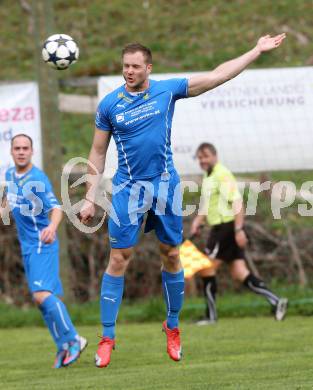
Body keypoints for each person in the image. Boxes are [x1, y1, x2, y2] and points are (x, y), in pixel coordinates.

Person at [79, 34, 286, 368]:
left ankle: (172, 327)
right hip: (128, 189)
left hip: (164, 186)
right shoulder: (110, 105)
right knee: (119, 258)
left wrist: (256, 51)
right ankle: (107, 338)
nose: (129, 72)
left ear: (149, 67)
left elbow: (217, 75)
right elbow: (98, 151)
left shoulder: (167, 90)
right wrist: (90, 197)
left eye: (135, 66)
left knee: (173, 254)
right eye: (125, 66)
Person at [1, 134, 87, 368]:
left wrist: (51, 226)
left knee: (41, 295)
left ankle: (74, 339)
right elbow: (6, 200)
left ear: (31, 151)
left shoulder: (37, 179)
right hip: (27, 246)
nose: (21, 151)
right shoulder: (9, 174)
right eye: (17, 148)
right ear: (11, 151)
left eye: (25, 148)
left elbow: (56, 208)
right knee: (41, 300)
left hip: (42, 243)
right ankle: (63, 347)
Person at [190, 142, 288, 325]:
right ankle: (276, 301)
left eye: (206, 156)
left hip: (225, 228)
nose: (202, 160)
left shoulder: (222, 174)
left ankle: (211, 317)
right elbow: (206, 205)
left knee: (205, 268)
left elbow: (238, 203)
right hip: (220, 228)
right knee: (239, 273)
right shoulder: (208, 176)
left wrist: (238, 229)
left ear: (215, 156)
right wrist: (197, 222)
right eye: (200, 157)